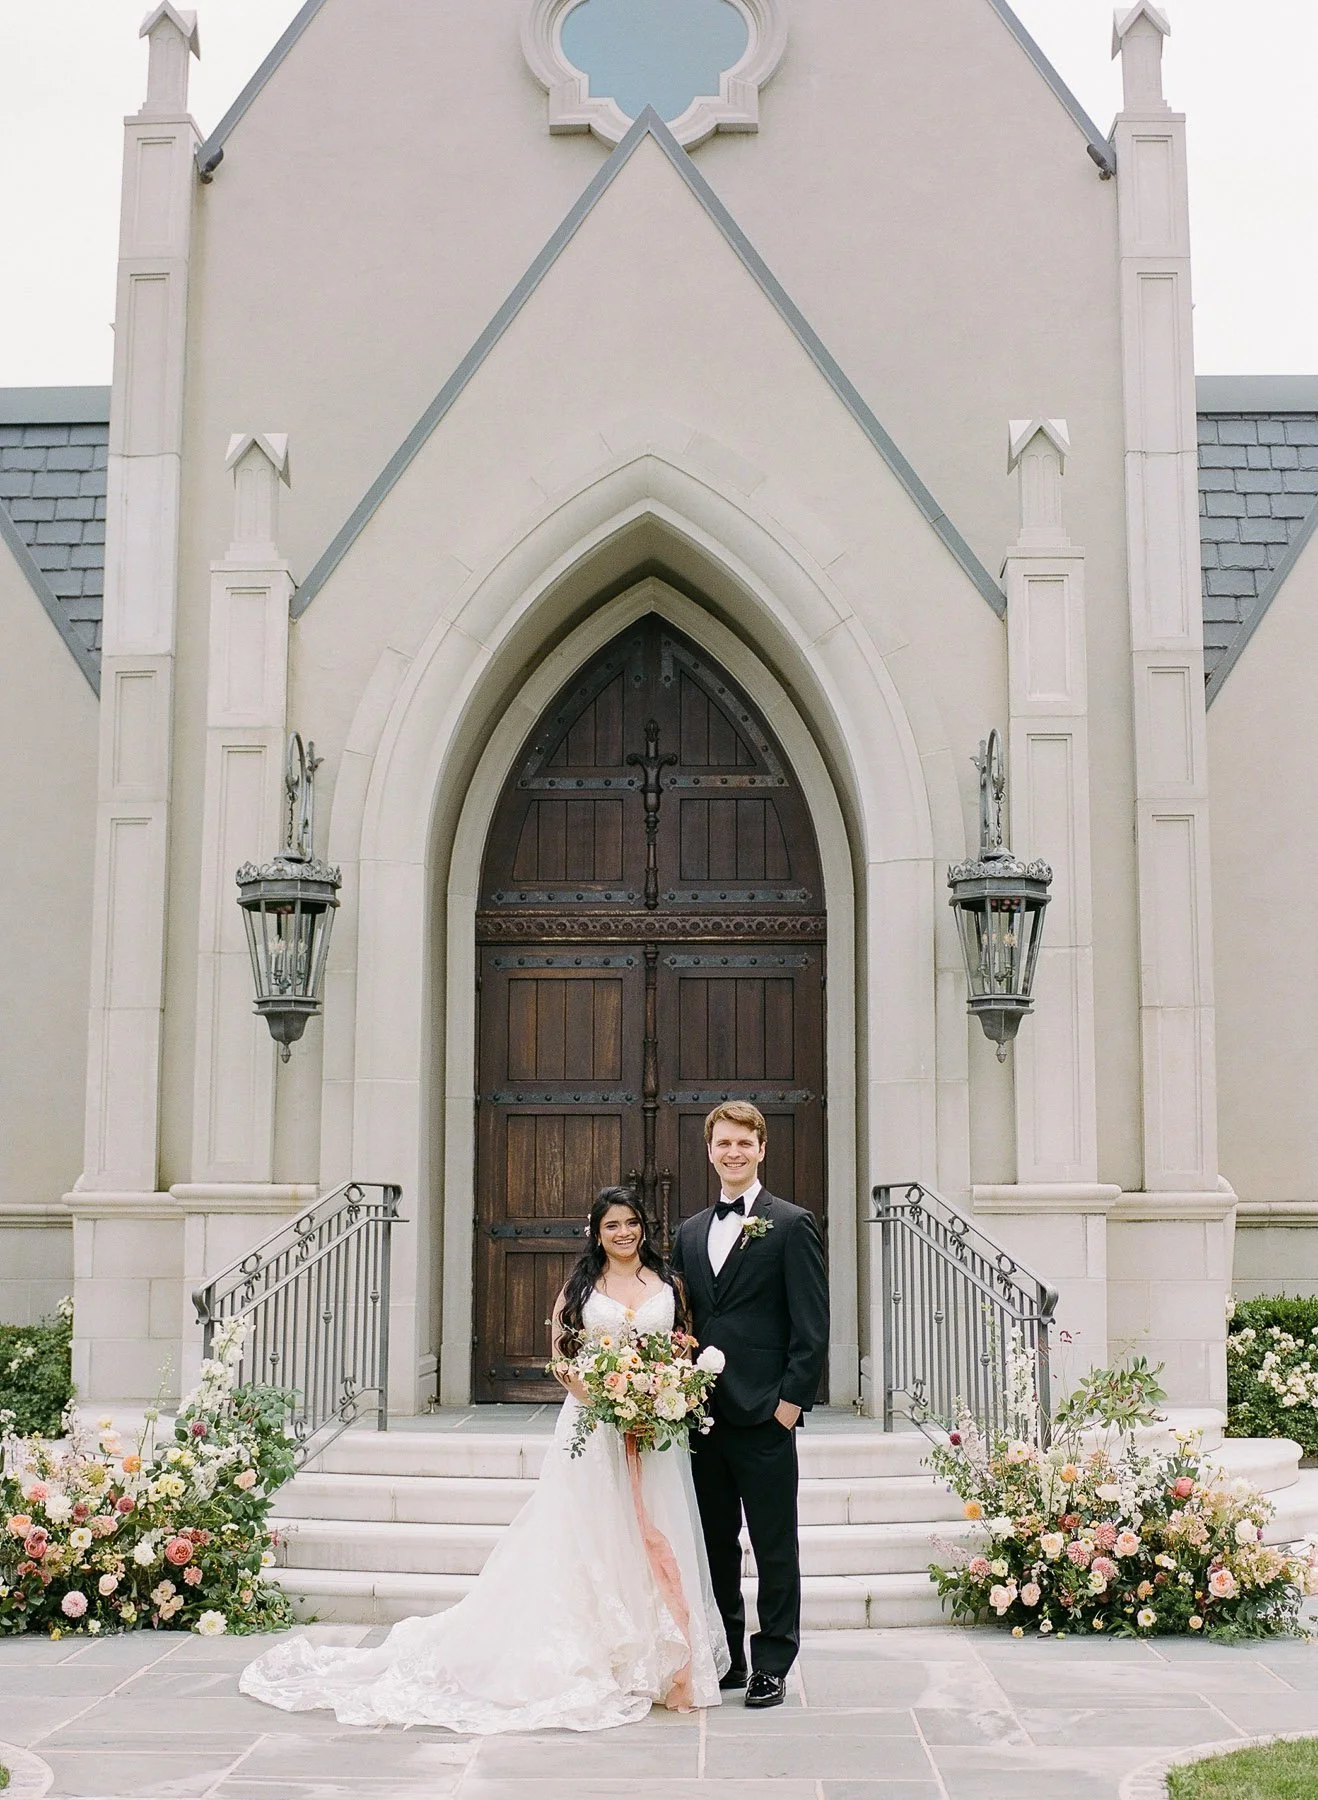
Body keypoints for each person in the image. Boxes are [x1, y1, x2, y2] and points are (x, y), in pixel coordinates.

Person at [239, 1187, 729, 1732]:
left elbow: (682, 1347)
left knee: (656, 1532)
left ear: (643, 1228)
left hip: (654, 1434)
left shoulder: (669, 1286)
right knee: (593, 1535)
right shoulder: (579, 1288)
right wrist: (608, 1399)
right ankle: (606, 1657)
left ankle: (661, 1662)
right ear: (596, 1231)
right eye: (612, 1225)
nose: (623, 1233)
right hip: (595, 1429)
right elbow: (561, 1362)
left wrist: (659, 1396)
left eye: (632, 1223)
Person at [669, 1102, 829, 1710]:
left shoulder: (790, 1224)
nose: (732, 1153)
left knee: (772, 1543)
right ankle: (730, 1657)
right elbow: (682, 1321)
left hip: (764, 1415)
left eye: (744, 1143)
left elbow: (811, 1327)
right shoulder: (688, 1232)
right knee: (713, 1543)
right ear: (709, 1151)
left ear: (761, 1149)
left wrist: (789, 1405)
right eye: (723, 1144)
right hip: (701, 1418)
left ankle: (772, 1662)